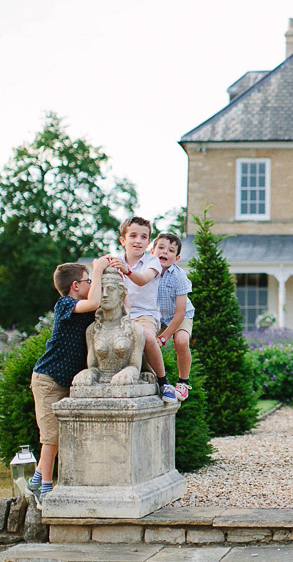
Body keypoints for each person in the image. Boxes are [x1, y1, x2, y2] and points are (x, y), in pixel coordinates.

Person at [27, 257, 108, 508]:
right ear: (75, 285)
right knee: (51, 438)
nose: (92, 283)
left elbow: (100, 302)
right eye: (88, 281)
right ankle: (45, 490)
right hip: (48, 380)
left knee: (61, 436)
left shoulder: (84, 309)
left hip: (64, 381)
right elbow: (94, 301)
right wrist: (98, 266)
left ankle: (36, 480)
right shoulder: (64, 304)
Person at [107, 216, 176, 404]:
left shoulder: (152, 260)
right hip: (121, 313)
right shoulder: (115, 261)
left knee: (146, 335)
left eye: (144, 237)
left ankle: (164, 382)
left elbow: (143, 279)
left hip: (145, 314)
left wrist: (127, 270)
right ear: (123, 240)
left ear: (148, 242)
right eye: (133, 236)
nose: (138, 241)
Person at [152, 232, 194, 401]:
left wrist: (164, 338)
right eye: (161, 248)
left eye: (170, 250)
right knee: (147, 342)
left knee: (181, 341)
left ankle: (183, 381)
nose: (164, 252)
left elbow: (180, 313)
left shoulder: (179, 276)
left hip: (180, 315)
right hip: (158, 316)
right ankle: (154, 378)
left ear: (176, 258)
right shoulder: (148, 271)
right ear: (152, 250)